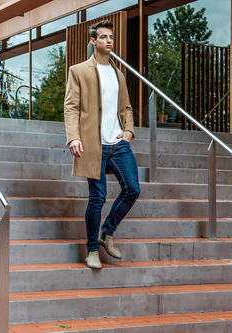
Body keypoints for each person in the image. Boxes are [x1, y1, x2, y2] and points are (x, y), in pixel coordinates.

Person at [64, 20, 140, 269]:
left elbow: (126, 107)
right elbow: (71, 107)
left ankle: (107, 232)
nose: (109, 40)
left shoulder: (119, 74)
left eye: (111, 37)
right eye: (103, 37)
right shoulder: (79, 71)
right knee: (97, 197)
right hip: (92, 144)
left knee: (133, 189)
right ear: (93, 42)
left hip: (118, 143)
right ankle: (92, 250)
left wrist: (128, 130)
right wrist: (74, 136)